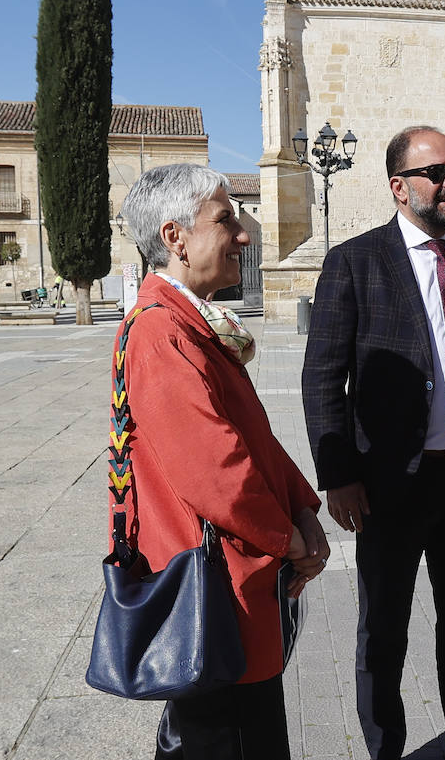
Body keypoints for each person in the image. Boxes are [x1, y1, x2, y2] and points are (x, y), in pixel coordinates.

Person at [301, 126, 445, 760]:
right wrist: (337, 474)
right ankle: (386, 749)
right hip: (389, 483)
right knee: (384, 633)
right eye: (437, 173)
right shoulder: (355, 262)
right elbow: (322, 376)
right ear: (399, 188)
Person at [117, 163, 329, 759]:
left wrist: (303, 512)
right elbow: (215, 469)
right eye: (225, 219)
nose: (243, 234)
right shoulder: (161, 332)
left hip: (239, 584)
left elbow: (252, 438)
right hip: (216, 595)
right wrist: (288, 536)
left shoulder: (193, 323)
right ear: (175, 237)